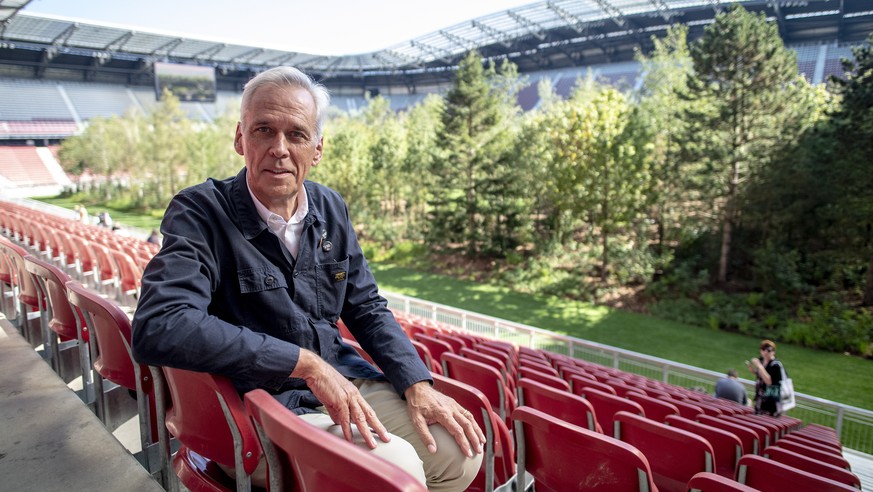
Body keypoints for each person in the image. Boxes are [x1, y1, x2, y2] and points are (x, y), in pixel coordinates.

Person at [131, 66, 483, 490]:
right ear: (240, 138)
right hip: (256, 405)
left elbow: (367, 307)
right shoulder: (200, 212)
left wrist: (416, 383)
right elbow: (160, 325)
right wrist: (303, 363)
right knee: (396, 468)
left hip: (340, 380)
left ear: (316, 148)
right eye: (263, 130)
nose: (279, 148)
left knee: (458, 452)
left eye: (296, 134)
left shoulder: (331, 207)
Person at [747, 339, 784, 416]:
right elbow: (761, 376)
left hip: (770, 402)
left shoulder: (776, 365)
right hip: (760, 398)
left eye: (769, 350)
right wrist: (753, 370)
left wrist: (759, 366)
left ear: (773, 352)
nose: (765, 352)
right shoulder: (762, 361)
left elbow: (769, 382)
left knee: (766, 422)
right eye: (763, 349)